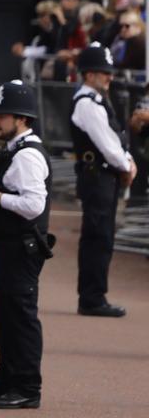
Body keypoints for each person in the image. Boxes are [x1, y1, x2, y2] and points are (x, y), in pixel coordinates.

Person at [0, 80, 52, 409]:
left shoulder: (28, 156)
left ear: (21, 119)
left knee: (20, 318)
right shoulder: (14, 150)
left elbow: (34, 205)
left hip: (23, 248)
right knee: (3, 318)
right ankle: (6, 380)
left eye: (1, 116)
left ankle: (27, 387)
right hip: (9, 244)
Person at [68, 43, 132, 318]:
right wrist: (126, 164)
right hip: (97, 176)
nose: (109, 77)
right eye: (103, 72)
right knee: (98, 236)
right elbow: (107, 144)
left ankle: (94, 294)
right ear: (88, 74)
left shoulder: (95, 100)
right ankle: (92, 297)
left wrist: (125, 159)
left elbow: (114, 138)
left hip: (102, 176)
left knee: (101, 235)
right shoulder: (87, 104)